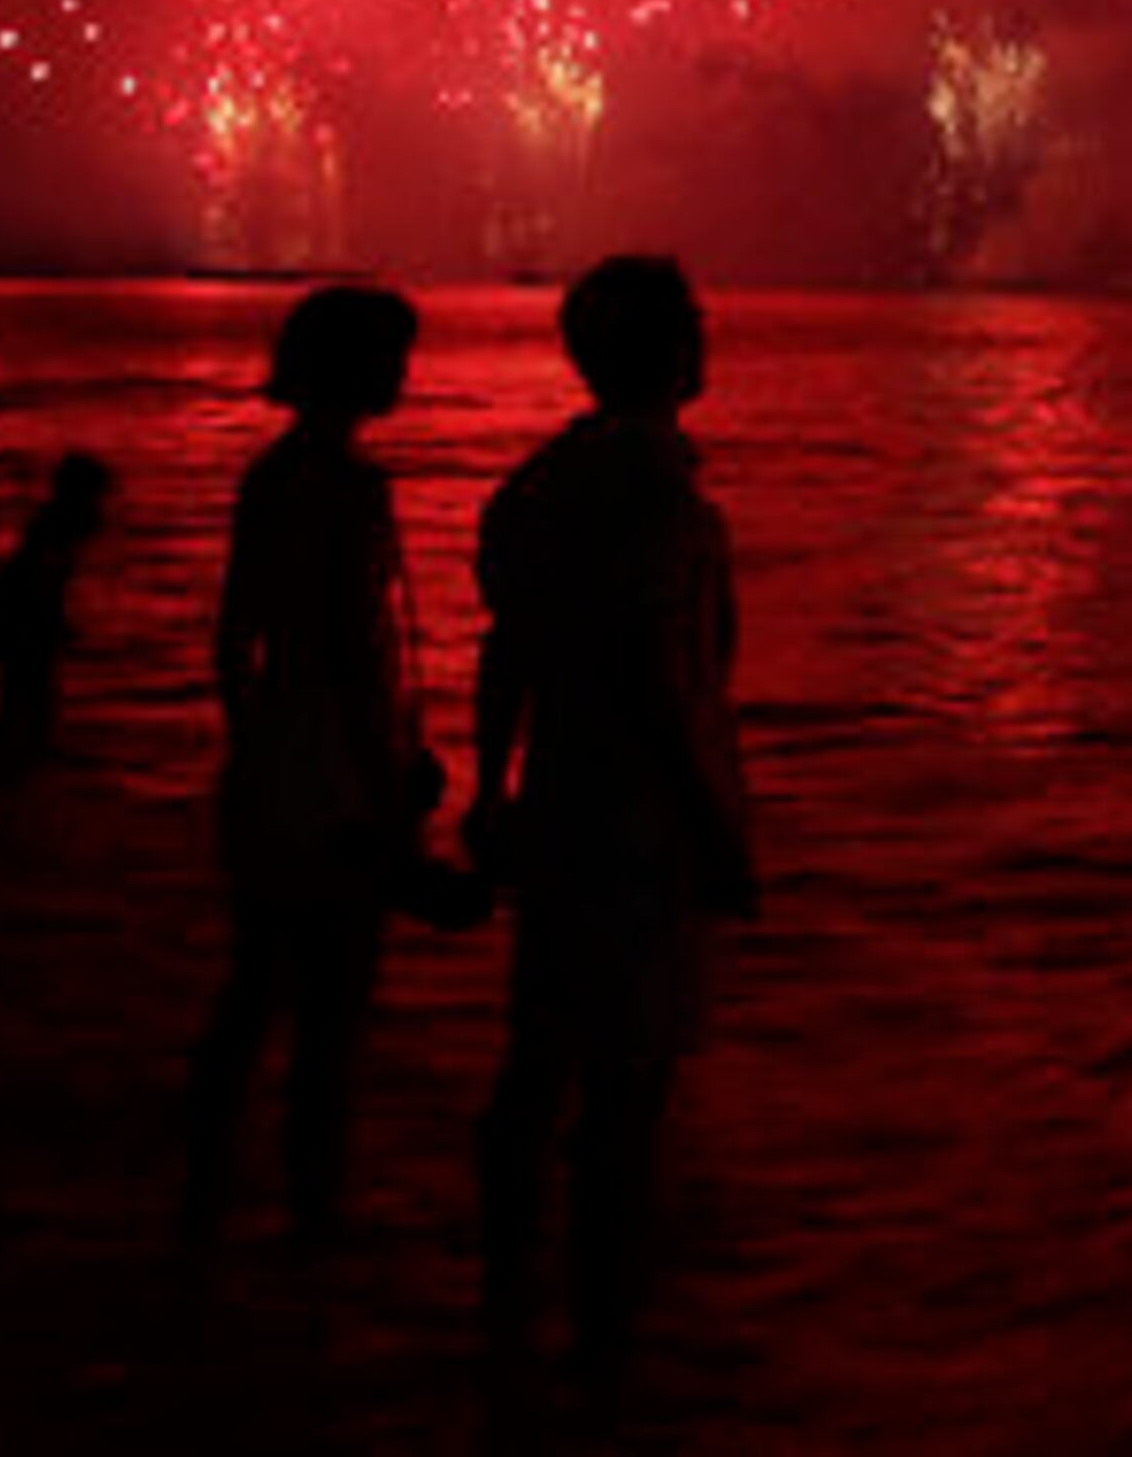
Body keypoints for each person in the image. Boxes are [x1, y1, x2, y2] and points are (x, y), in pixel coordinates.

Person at [467, 254, 756, 1375]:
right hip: (640, 834)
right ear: (667, 350)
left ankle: (504, 1310)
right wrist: (717, 832)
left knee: (533, 1071)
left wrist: (493, 791)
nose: (708, 332)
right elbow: (661, 682)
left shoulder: (537, 488)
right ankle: (605, 1339)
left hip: (557, 815)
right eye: (693, 320)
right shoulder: (666, 504)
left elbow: (507, 655)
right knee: (628, 1095)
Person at [182, 285, 428, 1249]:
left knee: (251, 995)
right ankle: (314, 1221)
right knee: (332, 1020)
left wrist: (259, 751)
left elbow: (233, 639)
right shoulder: (350, 491)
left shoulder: (269, 477)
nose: (405, 374)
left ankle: (203, 1201)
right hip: (334, 782)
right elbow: (359, 653)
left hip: (271, 773)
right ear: (356, 368)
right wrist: (385, 793)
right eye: (393, 356)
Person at [0, 451, 112, 768]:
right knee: (31, 695)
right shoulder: (58, 527)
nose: (102, 504)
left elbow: (47, 584)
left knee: (24, 695)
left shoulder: (56, 525)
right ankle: (14, 763)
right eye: (97, 495)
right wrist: (54, 623)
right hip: (11, 613)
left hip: (8, 609)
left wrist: (58, 621)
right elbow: (39, 583)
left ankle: (9, 760)